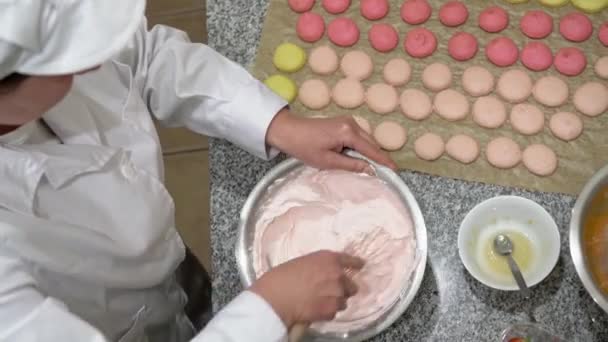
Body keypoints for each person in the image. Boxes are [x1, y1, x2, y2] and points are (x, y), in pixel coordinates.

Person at [0, 1, 397, 341]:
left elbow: (144, 55)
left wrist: (275, 123)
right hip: (118, 324)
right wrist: (272, 309)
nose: (96, 57)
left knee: (193, 295)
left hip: (164, 264)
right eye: (71, 58)